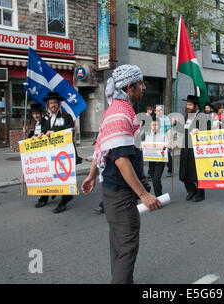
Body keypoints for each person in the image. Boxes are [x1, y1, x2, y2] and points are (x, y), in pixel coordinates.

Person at [81, 64, 161, 284]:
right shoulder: (119, 112)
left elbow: (101, 145)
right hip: (121, 195)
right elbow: (121, 159)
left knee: (118, 245)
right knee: (126, 248)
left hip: (113, 192)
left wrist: (91, 175)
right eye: (141, 83)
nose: (144, 88)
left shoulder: (118, 109)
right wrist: (144, 194)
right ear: (130, 86)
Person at [36, 92, 75, 213]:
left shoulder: (66, 117)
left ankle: (65, 199)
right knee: (47, 174)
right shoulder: (44, 119)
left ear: (59, 104)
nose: (53, 105)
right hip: (49, 152)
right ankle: (45, 196)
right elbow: (41, 133)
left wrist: (54, 133)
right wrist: (38, 136)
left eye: (55, 103)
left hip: (62, 153)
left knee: (63, 175)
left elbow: (70, 132)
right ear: (48, 105)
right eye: (51, 103)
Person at [180, 95, 207, 202]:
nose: (188, 106)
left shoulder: (202, 116)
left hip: (196, 148)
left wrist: (199, 131)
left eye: (190, 104)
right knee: (184, 171)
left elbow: (207, 131)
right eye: (187, 104)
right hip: (185, 146)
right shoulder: (187, 116)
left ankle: (200, 194)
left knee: (196, 172)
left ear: (196, 106)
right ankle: (192, 191)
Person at [144, 116, 168, 197]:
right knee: (154, 179)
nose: (154, 127)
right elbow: (145, 146)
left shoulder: (164, 135)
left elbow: (168, 146)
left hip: (160, 161)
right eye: (152, 125)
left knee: (156, 179)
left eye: (156, 125)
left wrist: (166, 146)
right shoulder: (148, 135)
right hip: (151, 160)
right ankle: (158, 193)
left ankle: (159, 196)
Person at [155, 105, 173, 177]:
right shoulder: (153, 118)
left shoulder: (166, 118)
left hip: (164, 140)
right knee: (153, 155)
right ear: (155, 111)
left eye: (161, 110)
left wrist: (169, 141)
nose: (160, 111)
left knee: (167, 155)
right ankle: (151, 172)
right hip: (156, 140)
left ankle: (170, 170)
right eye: (158, 110)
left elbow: (169, 130)